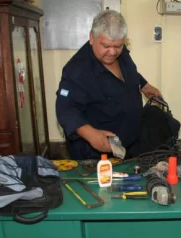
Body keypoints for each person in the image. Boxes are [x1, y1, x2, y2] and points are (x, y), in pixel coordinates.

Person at [56, 10, 161, 160]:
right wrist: (91, 134)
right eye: (106, 45)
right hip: (96, 155)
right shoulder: (76, 70)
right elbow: (65, 109)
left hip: (130, 146)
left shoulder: (120, 52)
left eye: (118, 46)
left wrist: (144, 85)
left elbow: (130, 72)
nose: (112, 52)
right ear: (92, 38)